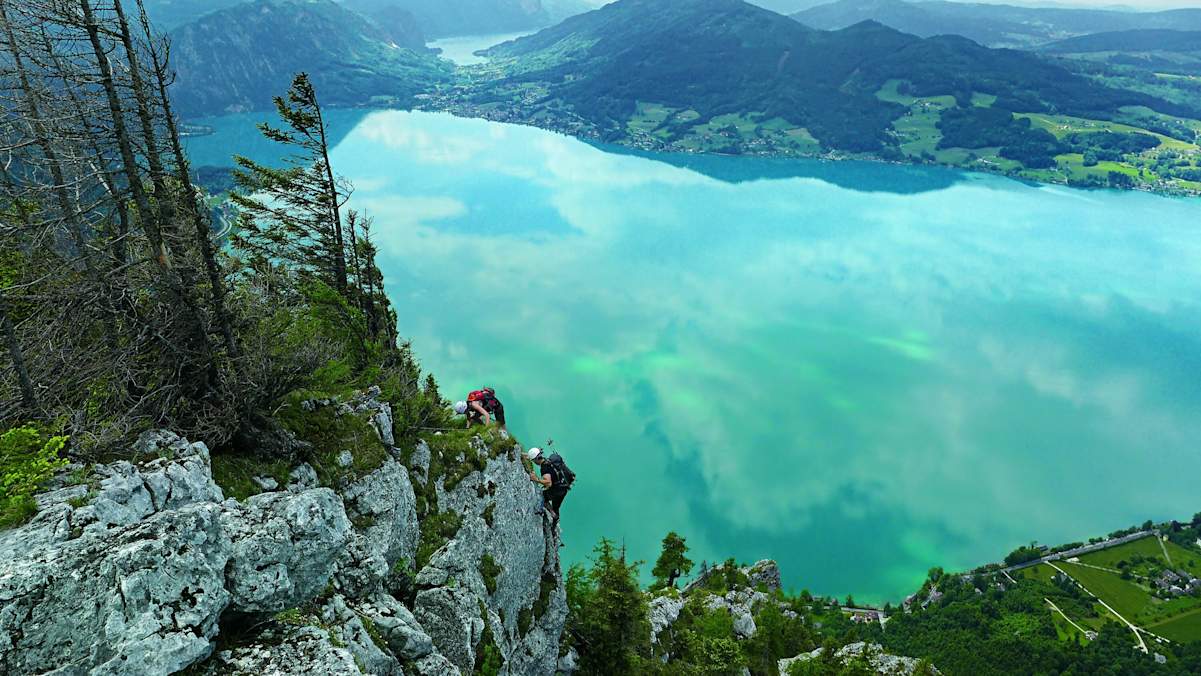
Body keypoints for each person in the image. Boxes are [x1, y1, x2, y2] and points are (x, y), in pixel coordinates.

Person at [528, 447, 574, 523]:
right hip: (563, 488)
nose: (533, 462)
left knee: (542, 495)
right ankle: (555, 521)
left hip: (556, 491)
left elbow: (548, 483)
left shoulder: (544, 468)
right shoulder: (548, 461)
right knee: (556, 507)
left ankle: (543, 511)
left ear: (536, 460)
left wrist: (536, 479)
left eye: (533, 460)